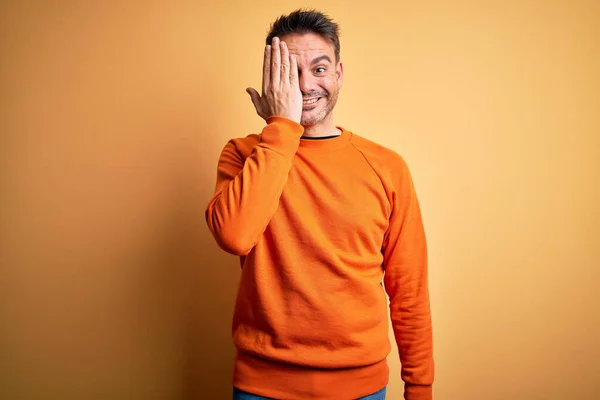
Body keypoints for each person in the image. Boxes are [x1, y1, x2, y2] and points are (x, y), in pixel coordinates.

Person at [205, 8, 434, 400]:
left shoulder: (386, 167)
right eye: (290, 73)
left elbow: (408, 289)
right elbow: (235, 236)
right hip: (261, 386)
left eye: (319, 69)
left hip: (360, 387)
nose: (306, 85)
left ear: (340, 74)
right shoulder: (244, 155)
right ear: (272, 82)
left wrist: (419, 387)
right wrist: (280, 129)